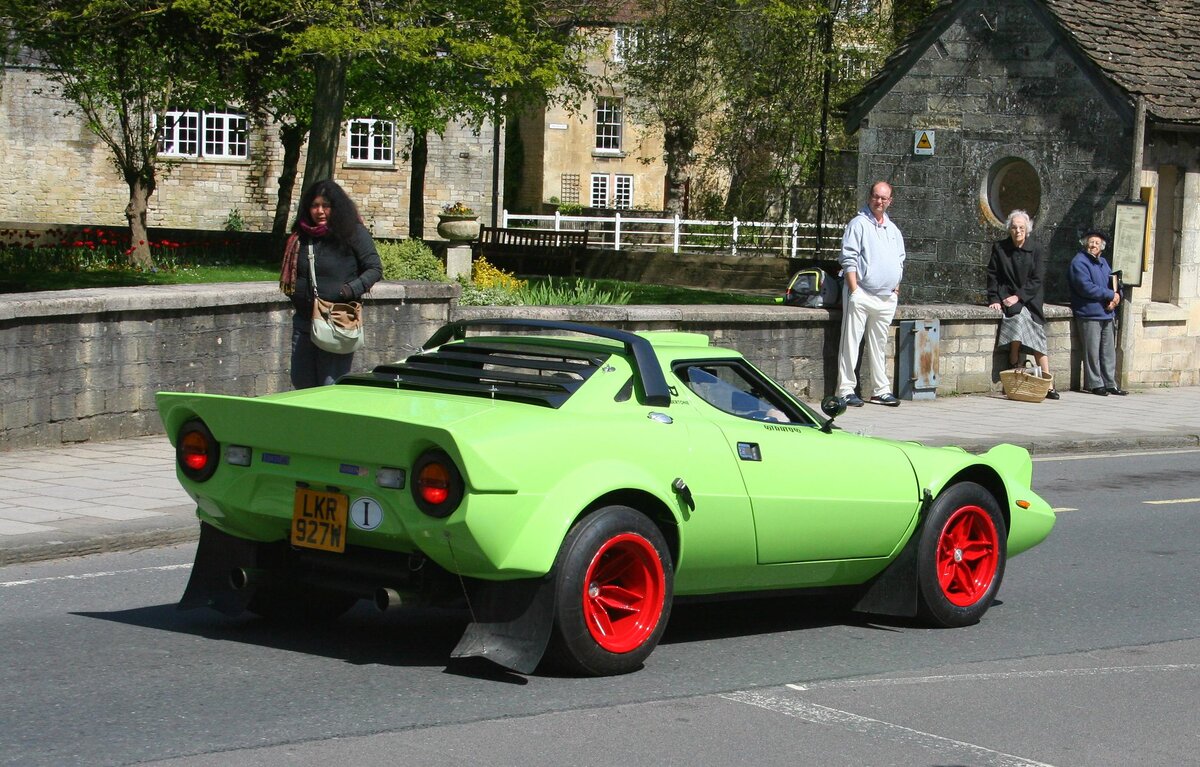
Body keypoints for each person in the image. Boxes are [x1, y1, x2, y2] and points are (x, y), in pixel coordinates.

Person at [279, 179, 382, 389]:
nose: (320, 211)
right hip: (305, 321)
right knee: (302, 383)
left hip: (337, 320)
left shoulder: (353, 232)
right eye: (314, 206)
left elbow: (374, 268)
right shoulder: (302, 236)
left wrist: (348, 291)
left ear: (336, 207)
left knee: (330, 385)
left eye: (325, 206)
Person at [837, 180, 905, 407]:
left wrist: (896, 285)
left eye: (884, 198)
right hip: (862, 293)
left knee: (879, 344)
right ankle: (845, 389)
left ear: (890, 201)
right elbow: (849, 257)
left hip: (886, 297)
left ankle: (880, 390)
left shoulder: (893, 230)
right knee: (851, 342)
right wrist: (854, 289)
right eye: (876, 196)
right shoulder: (858, 224)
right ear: (870, 197)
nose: (879, 201)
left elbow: (901, 259)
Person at [987, 209, 1059, 400]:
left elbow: (1037, 279)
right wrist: (994, 299)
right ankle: (1015, 360)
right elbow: (993, 275)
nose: (1018, 231)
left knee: (1036, 331)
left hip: (1030, 297)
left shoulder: (1035, 248)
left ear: (1027, 229)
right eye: (1014, 227)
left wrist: (1018, 297)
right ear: (1009, 229)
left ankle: (1047, 382)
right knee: (1018, 319)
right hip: (1007, 295)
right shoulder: (1000, 248)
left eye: (1021, 227)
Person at [1068, 229, 1126, 396]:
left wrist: (1116, 298)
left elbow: (1114, 284)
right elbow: (1085, 287)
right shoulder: (1078, 263)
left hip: (1107, 312)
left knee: (1108, 351)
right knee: (1091, 351)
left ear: (1102, 247)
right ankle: (1094, 384)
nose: (1093, 245)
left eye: (1096, 243)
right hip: (1089, 313)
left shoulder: (1103, 262)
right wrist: (1110, 295)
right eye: (1091, 242)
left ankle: (1110, 383)